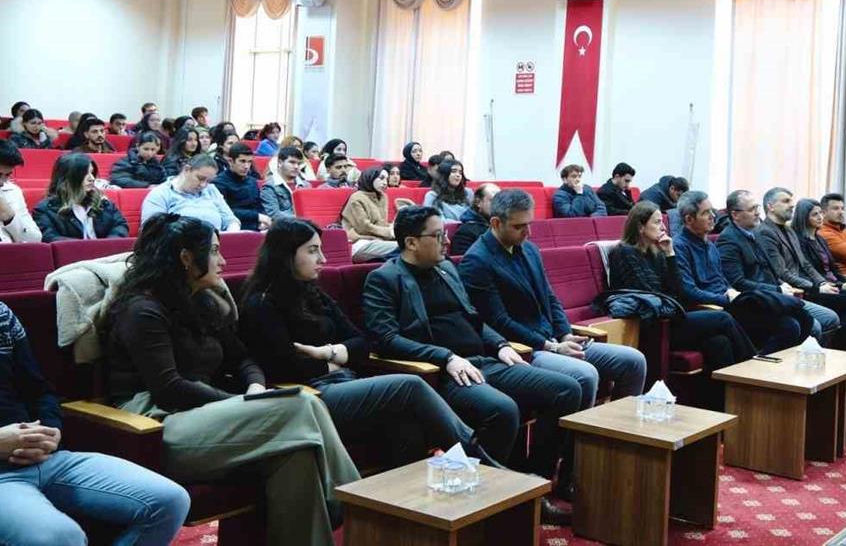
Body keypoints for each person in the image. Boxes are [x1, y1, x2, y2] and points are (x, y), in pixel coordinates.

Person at [103, 214, 359, 546]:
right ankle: (355, 503)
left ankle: (342, 511)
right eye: (213, 251)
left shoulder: (204, 302)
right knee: (301, 402)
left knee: (296, 457)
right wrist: (243, 403)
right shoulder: (142, 310)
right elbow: (170, 389)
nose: (223, 261)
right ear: (186, 258)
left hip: (208, 418)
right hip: (158, 427)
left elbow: (243, 359)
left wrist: (255, 386)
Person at [362, 206, 579, 520]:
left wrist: (500, 344)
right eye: (438, 235)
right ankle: (488, 501)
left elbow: (474, 320)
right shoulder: (384, 278)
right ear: (411, 242)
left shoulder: (446, 269)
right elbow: (385, 339)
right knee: (502, 409)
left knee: (567, 389)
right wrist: (445, 357)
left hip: (483, 360)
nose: (447, 241)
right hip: (443, 374)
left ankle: (532, 481)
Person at [240, 217, 494, 470]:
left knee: (406, 421)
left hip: (346, 382)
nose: (323, 259)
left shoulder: (313, 293)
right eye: (313, 250)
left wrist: (328, 353)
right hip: (312, 396)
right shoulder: (262, 303)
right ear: (286, 255)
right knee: (410, 386)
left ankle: (409, 493)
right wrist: (336, 363)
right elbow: (284, 367)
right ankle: (478, 458)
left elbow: (363, 343)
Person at [0, 300, 190, 546]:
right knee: (60, 538)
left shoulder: (2, 315)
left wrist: (51, 430)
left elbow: (39, 391)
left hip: (46, 458)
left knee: (171, 500)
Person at [459, 189, 647, 415]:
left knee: (633, 361)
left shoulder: (529, 249)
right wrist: (552, 346)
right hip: (523, 349)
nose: (528, 232)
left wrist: (565, 333)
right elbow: (498, 322)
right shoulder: (477, 261)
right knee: (585, 375)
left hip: (554, 339)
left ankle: (615, 431)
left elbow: (550, 298)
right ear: (496, 223)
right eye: (519, 226)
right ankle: (575, 439)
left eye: (530, 224)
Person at [608, 202, 755, 377]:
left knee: (719, 343)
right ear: (640, 226)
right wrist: (672, 300)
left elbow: (678, 291)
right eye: (657, 222)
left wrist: (670, 254)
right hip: (653, 325)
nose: (663, 227)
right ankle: (753, 369)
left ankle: (727, 392)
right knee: (723, 318)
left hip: (670, 316)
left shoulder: (657, 252)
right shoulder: (624, 253)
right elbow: (649, 294)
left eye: (662, 222)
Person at [673, 190, 808, 354]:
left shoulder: (709, 244)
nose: (713, 216)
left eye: (712, 211)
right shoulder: (679, 246)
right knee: (788, 325)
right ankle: (754, 364)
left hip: (730, 301)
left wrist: (730, 290)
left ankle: (770, 365)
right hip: (715, 307)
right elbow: (689, 290)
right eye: (706, 213)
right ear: (689, 219)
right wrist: (726, 298)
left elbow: (721, 279)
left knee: (798, 320)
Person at [758, 187, 846, 353]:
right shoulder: (765, 232)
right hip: (794, 290)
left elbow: (805, 264)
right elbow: (782, 272)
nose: (791, 205)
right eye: (786, 201)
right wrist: (817, 287)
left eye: (791, 201)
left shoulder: (789, 230)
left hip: (808, 285)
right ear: (770, 206)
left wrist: (822, 283)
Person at [717, 190, 838, 343]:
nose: (757, 213)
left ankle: (811, 354)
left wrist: (781, 285)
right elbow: (738, 282)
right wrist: (777, 289)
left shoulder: (753, 233)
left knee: (829, 318)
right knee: (812, 326)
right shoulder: (729, 240)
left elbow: (770, 268)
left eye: (757, 208)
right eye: (752, 209)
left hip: (775, 294)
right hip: (756, 301)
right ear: (735, 215)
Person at [33, 154, 128, 242]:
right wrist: (85, 248)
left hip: (107, 252)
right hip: (72, 253)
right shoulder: (45, 209)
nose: (92, 178)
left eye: (92, 173)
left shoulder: (103, 202)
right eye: (85, 174)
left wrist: (107, 245)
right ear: (68, 178)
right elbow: (49, 237)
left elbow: (120, 225)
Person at [141, 154, 240, 232]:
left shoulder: (211, 190)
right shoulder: (161, 193)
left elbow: (230, 219)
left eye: (208, 181)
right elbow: (151, 231)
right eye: (200, 178)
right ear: (186, 169)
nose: (203, 185)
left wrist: (232, 233)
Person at [341, 166, 399, 263]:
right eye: (381, 178)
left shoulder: (383, 197)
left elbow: (382, 223)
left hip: (381, 240)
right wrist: (390, 232)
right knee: (405, 248)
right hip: (360, 242)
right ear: (370, 178)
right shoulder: (356, 198)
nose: (385, 182)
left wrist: (393, 229)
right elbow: (364, 228)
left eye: (386, 179)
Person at [214, 143, 270, 232]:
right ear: (230, 161)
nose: (246, 166)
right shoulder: (219, 182)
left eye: (249, 162)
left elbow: (259, 205)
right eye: (242, 161)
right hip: (235, 227)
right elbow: (226, 211)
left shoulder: (252, 181)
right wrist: (257, 216)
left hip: (258, 225)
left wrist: (263, 219)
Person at [0, 141, 42, 243]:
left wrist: (10, 218)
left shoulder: (13, 191)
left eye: (7, 175)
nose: (1, 182)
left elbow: (35, 239)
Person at [261, 146, 310, 220]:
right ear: (280, 163)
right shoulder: (269, 187)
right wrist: (301, 219)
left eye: (299, 164)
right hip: (284, 226)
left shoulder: (306, 185)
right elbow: (274, 214)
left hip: (305, 224)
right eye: (292, 162)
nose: (296, 167)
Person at [450, 183, 499, 256]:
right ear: (478, 202)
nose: (498, 205)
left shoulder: (504, 226)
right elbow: (466, 260)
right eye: (493, 200)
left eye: (500, 201)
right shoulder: (465, 232)